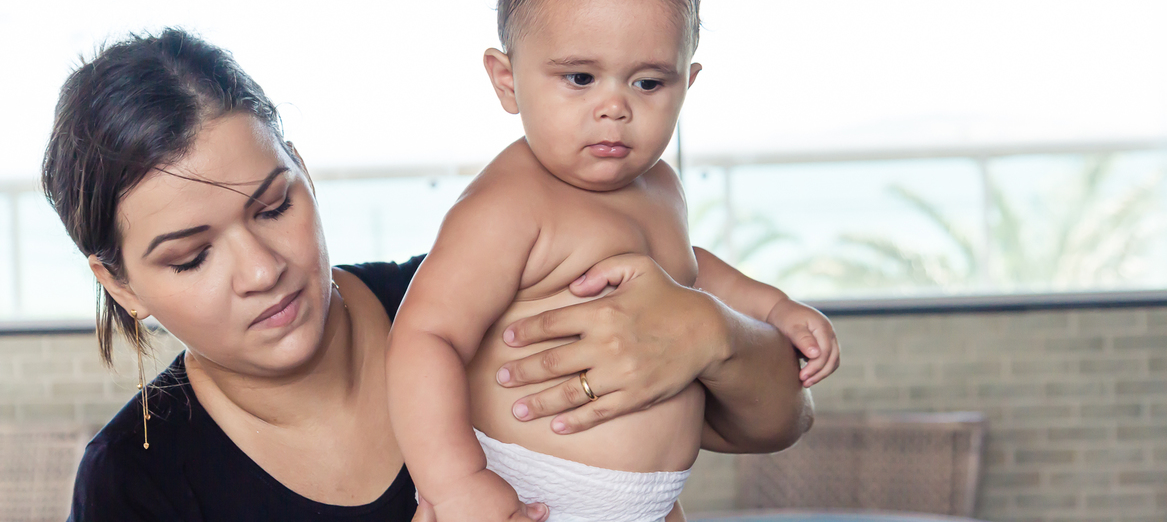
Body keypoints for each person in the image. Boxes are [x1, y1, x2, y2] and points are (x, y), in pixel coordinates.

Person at [43, 28, 818, 521]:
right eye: (192, 256)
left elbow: (779, 421)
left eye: (275, 207)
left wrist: (713, 331)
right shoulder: (133, 486)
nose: (261, 269)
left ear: (304, 172)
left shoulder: (470, 306)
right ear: (122, 286)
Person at [388, 0, 837, 522]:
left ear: (687, 82)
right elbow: (424, 338)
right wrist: (456, 485)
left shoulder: (659, 185)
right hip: (529, 498)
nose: (615, 108)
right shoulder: (509, 204)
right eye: (579, 78)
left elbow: (688, 271)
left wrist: (771, 307)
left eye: (648, 82)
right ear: (507, 80)